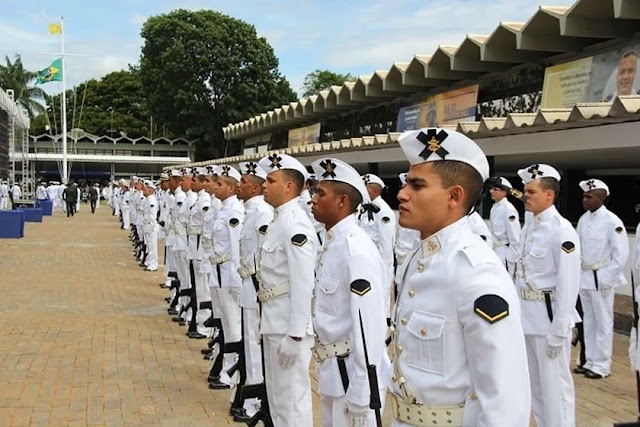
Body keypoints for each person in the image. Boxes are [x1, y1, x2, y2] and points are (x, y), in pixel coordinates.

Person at [390, 127, 531, 426]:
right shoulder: (419, 258)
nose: (402, 193)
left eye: (417, 185)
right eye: (406, 183)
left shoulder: (477, 273)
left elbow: (505, 400)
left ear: (455, 196)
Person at [310, 157, 391, 427]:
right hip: (333, 373)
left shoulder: (355, 251)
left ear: (342, 202)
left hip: (351, 378)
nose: (313, 199)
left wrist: (362, 390)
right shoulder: (333, 243)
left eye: (321, 193)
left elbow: (370, 327)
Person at [514, 163, 581, 427]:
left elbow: (568, 283)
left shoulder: (561, 230)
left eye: (531, 191)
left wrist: (560, 328)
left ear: (549, 196)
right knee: (537, 388)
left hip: (548, 318)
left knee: (556, 389)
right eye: (525, 191)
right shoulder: (530, 226)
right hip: (527, 317)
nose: (525, 196)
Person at [256, 153, 318, 426]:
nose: (264, 186)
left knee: (291, 402)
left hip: (286, 326)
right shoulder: (279, 220)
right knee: (279, 400)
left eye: (271, 180)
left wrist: (295, 335)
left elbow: (303, 281)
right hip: (274, 320)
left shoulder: (295, 224)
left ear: (290, 186)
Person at [575, 179, 628, 379]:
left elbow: (620, 254)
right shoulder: (583, 219)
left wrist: (607, 278)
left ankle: (602, 365)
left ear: (601, 198)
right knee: (588, 321)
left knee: (603, 322)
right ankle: (589, 361)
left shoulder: (611, 221)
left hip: (601, 277)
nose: (585, 200)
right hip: (585, 277)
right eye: (584, 196)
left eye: (589, 196)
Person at [233, 160, 273, 421]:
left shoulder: (262, 213)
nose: (240, 185)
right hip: (248, 287)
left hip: (258, 291)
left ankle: (255, 400)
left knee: (255, 345)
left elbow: (264, 257)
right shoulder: (250, 210)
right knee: (250, 344)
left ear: (256, 189)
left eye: (245, 183)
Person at [207, 165, 245, 388]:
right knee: (224, 321)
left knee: (233, 325)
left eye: (219, 184)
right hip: (218, 272)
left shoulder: (234, 212)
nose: (214, 187)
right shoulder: (223, 209)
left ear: (231, 188)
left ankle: (231, 372)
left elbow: (235, 248)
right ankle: (223, 363)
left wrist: (235, 280)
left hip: (229, 274)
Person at [358, 173, 396, 323]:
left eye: (365, 188)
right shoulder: (364, 208)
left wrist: (383, 268)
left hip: (378, 261)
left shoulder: (384, 211)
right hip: (365, 259)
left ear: (373, 191)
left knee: (381, 293)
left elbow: (386, 244)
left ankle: (384, 324)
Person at [488, 176, 521, 270]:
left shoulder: (508, 209)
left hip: (504, 252)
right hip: (495, 250)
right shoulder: (494, 207)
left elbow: (515, 236)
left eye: (495, 189)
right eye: (491, 189)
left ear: (504, 192)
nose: (491, 192)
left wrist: (510, 258)